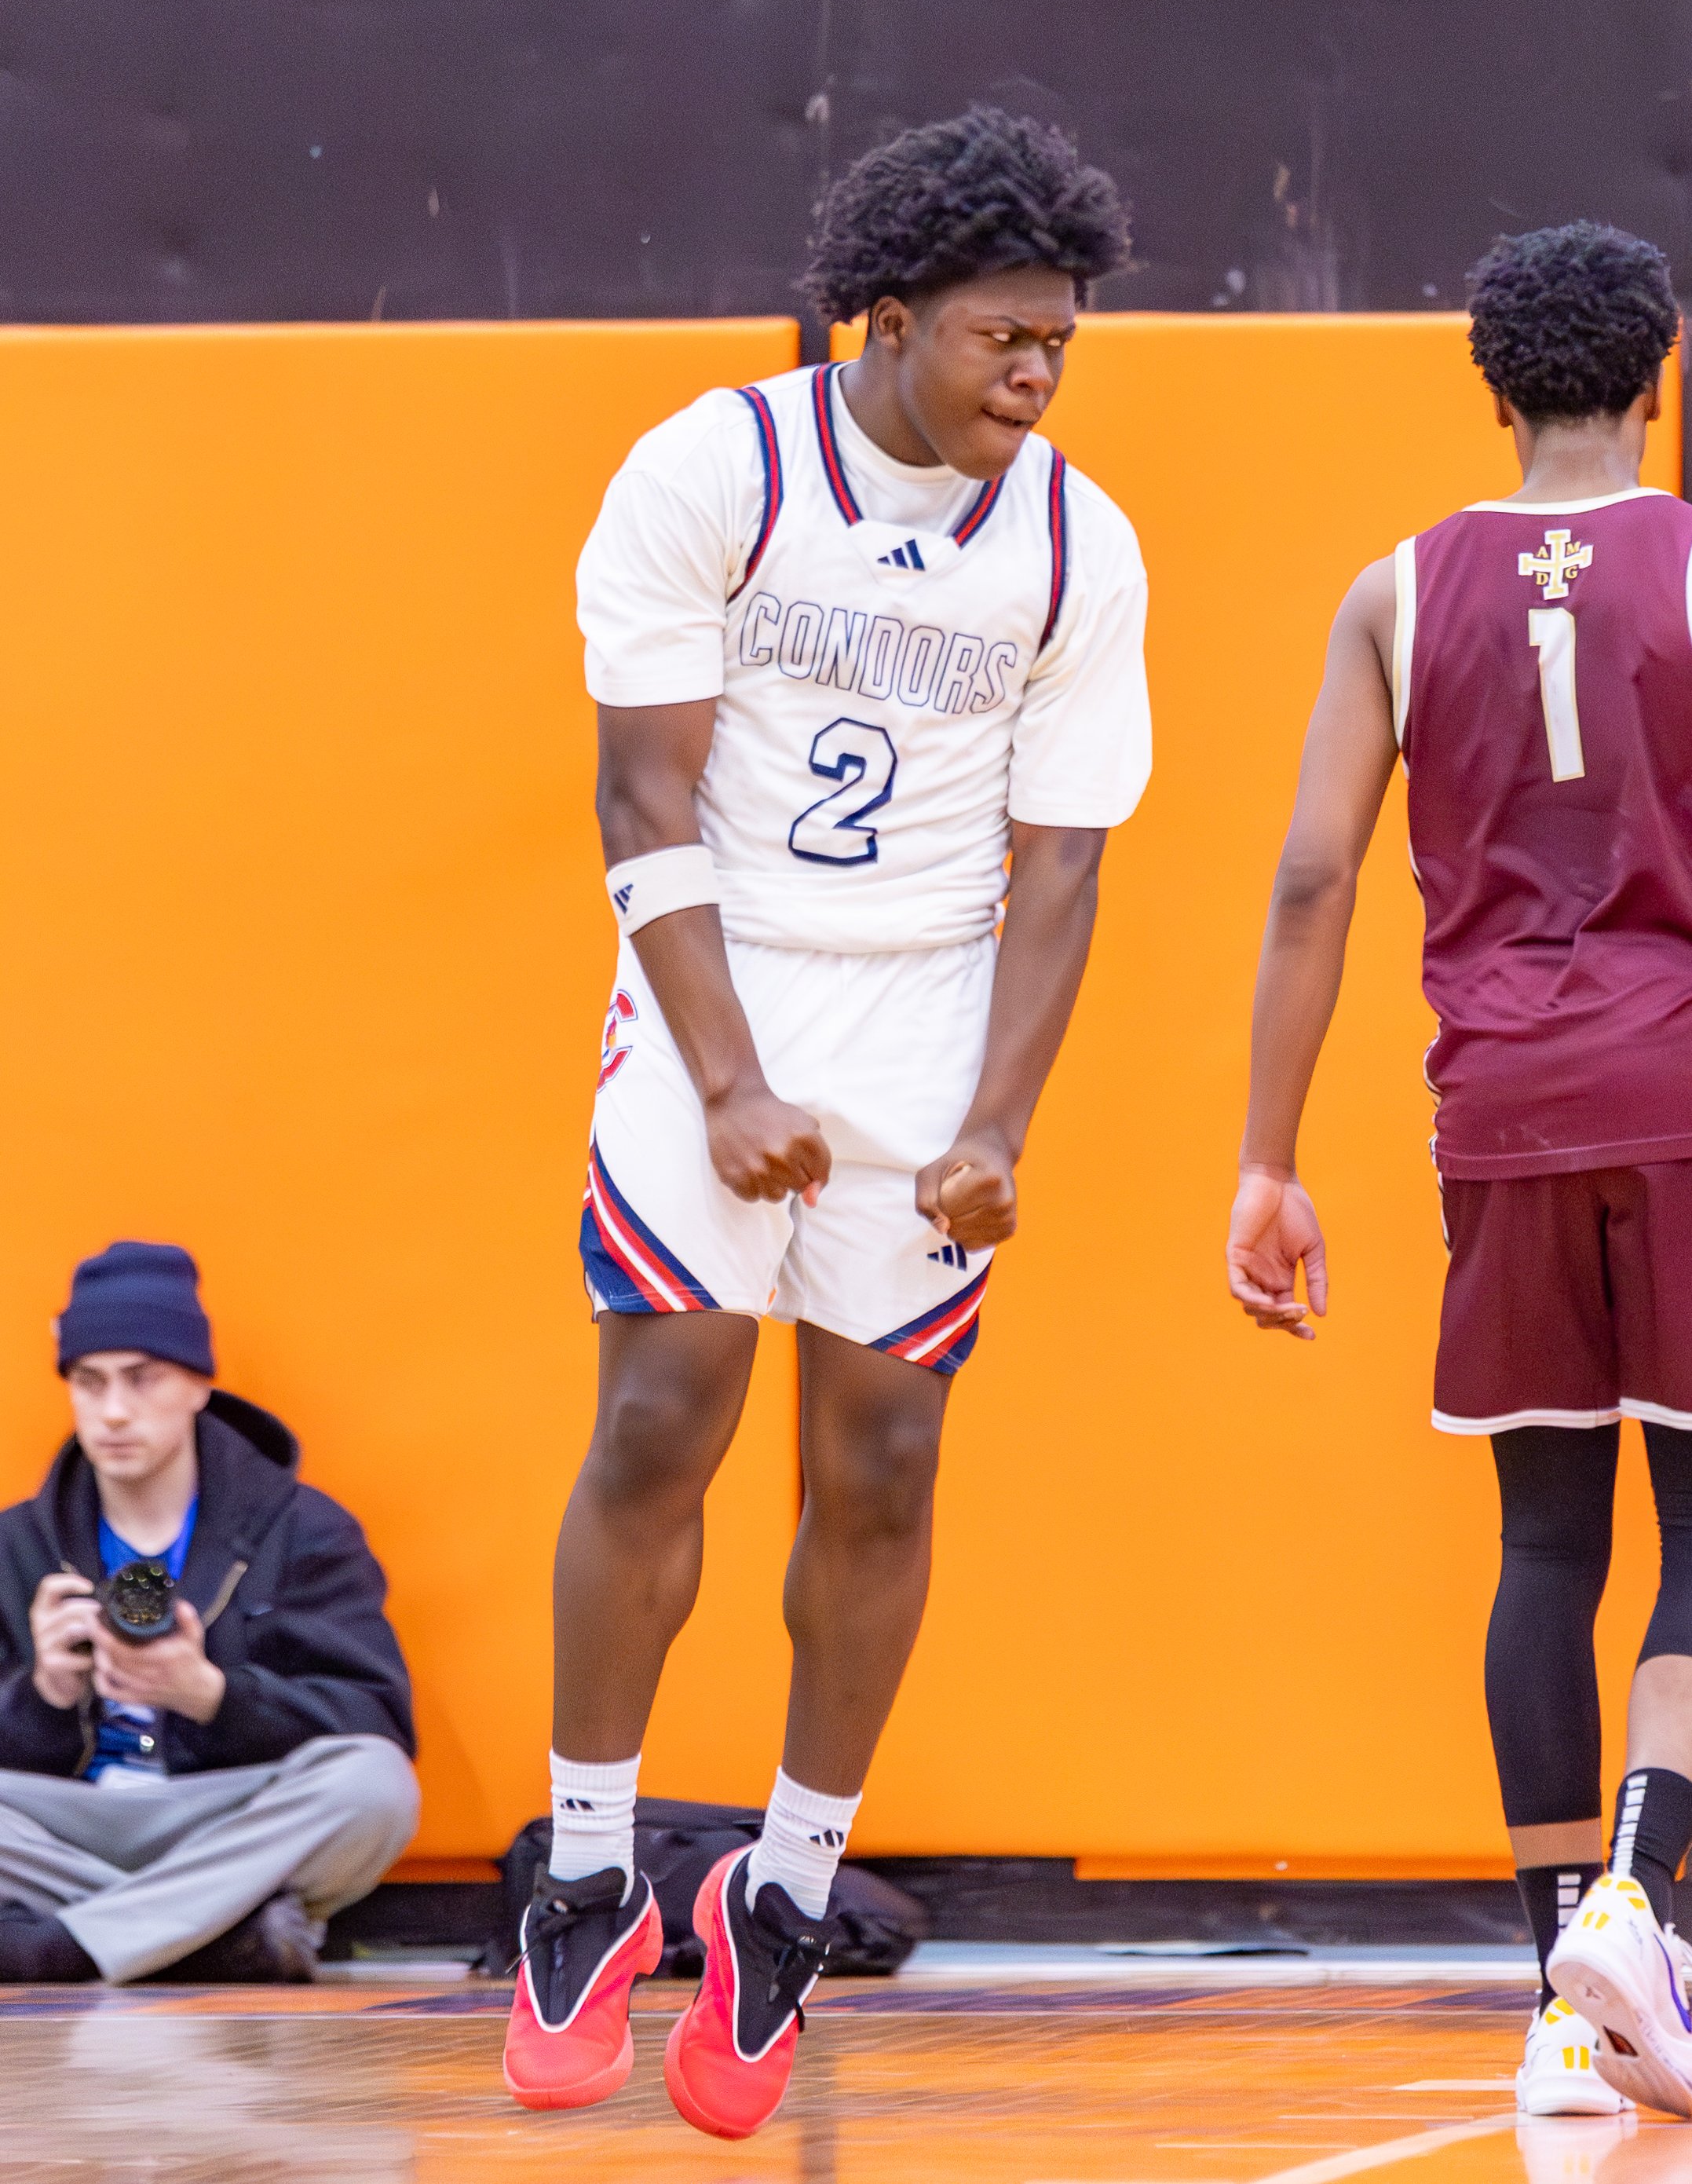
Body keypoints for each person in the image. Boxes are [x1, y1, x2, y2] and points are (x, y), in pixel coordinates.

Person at [503, 105, 1151, 2135]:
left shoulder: (1078, 541)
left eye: (1057, 346)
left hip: (928, 1006)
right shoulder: (718, 466)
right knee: (659, 1415)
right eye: (1000, 338)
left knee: (883, 1461)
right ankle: (586, 1871)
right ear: (886, 319)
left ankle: (781, 1892)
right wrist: (725, 1079)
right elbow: (639, 793)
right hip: (725, 972)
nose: (1034, 377)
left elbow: (1064, 863)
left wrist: (997, 1123)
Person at [1223, 220, 1692, 2118]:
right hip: (1678, 1085)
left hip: (1497, 1105)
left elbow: (1310, 879)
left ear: (1490, 392)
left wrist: (1264, 1157)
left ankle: (1561, 2016)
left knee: (1542, 1544)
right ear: (1656, 376)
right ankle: (1638, 1902)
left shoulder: (1392, 591)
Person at [0, 1240, 419, 1984]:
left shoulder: (302, 1528)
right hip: (69, 1821)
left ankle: (68, 1945)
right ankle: (214, 1936)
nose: (114, 1411)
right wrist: (44, 1696)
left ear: (198, 1384)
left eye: (143, 1378)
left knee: (376, 1786)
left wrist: (211, 1695)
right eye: (90, 1382)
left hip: (231, 1818)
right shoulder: (20, 1542)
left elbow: (378, 1720)